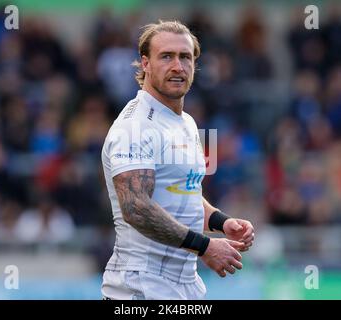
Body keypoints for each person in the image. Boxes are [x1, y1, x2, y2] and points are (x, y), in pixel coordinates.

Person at [101, 20, 255, 300]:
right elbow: (136, 209)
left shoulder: (186, 122)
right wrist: (205, 247)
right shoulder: (135, 126)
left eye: (185, 57)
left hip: (183, 284)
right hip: (139, 286)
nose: (177, 66)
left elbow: (183, 191)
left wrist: (221, 222)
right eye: (166, 56)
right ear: (145, 64)